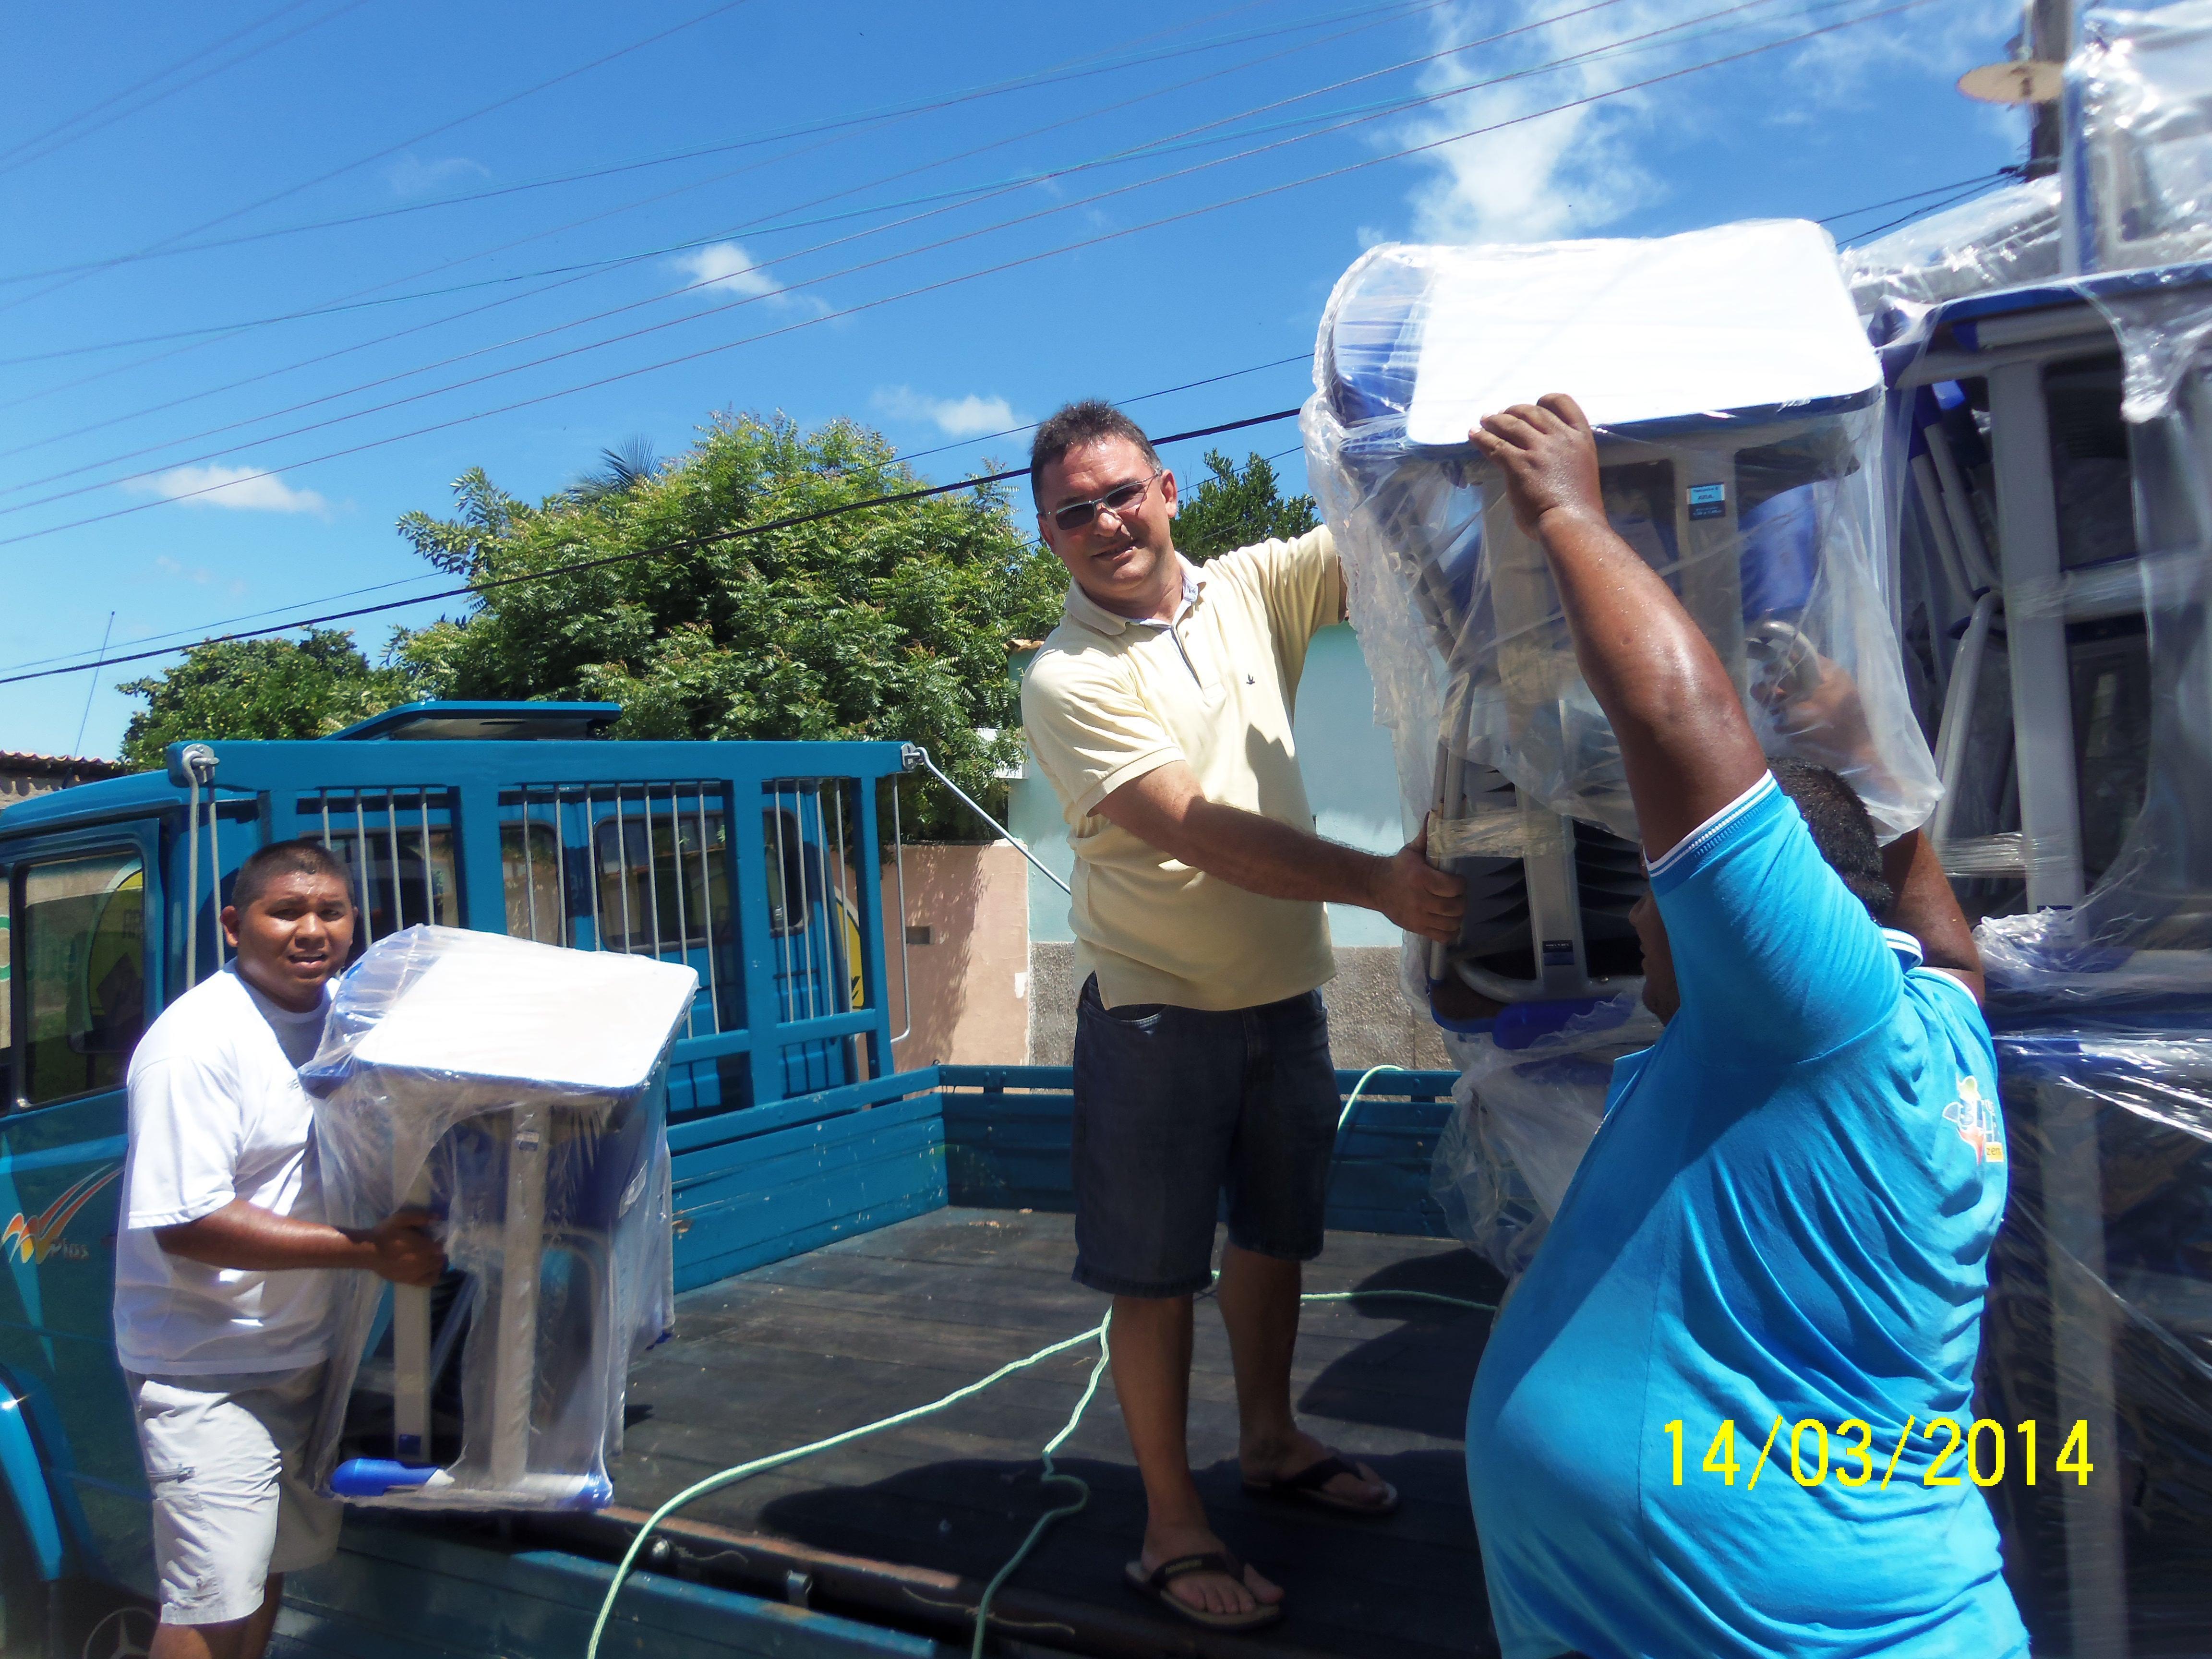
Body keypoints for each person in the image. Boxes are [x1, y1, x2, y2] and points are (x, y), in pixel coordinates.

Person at [1462, 396, 2028, 1657]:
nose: (1642, 920)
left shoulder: (1808, 1017)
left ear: (1780, 923)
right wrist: (1871, 763)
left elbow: (1682, 723)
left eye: (1667, 899)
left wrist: (1564, 508)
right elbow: (1947, 941)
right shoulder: (1941, 1027)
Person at [1018, 400, 1466, 1631]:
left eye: (1120, 494)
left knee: (1276, 1237)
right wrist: (1378, 880)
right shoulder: (1068, 678)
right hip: (1157, 1012)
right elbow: (1196, 828)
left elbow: (1387, 528)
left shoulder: (1253, 589)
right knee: (1154, 1276)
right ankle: (1169, 1527)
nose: (1104, 522)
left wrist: (1433, 427)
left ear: (1168, 491)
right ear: (1048, 536)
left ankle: (1269, 1443)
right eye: (1074, 511)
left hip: (1286, 992)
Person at [112, 839, 445, 1659]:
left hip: (303, 1357)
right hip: (209, 1372)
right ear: (235, 925)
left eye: (330, 912)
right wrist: (370, 1250)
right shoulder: (196, 1045)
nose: (311, 930)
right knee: (212, 1602)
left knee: (261, 1577)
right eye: (285, 911)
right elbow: (188, 1224)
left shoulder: (350, 1016)